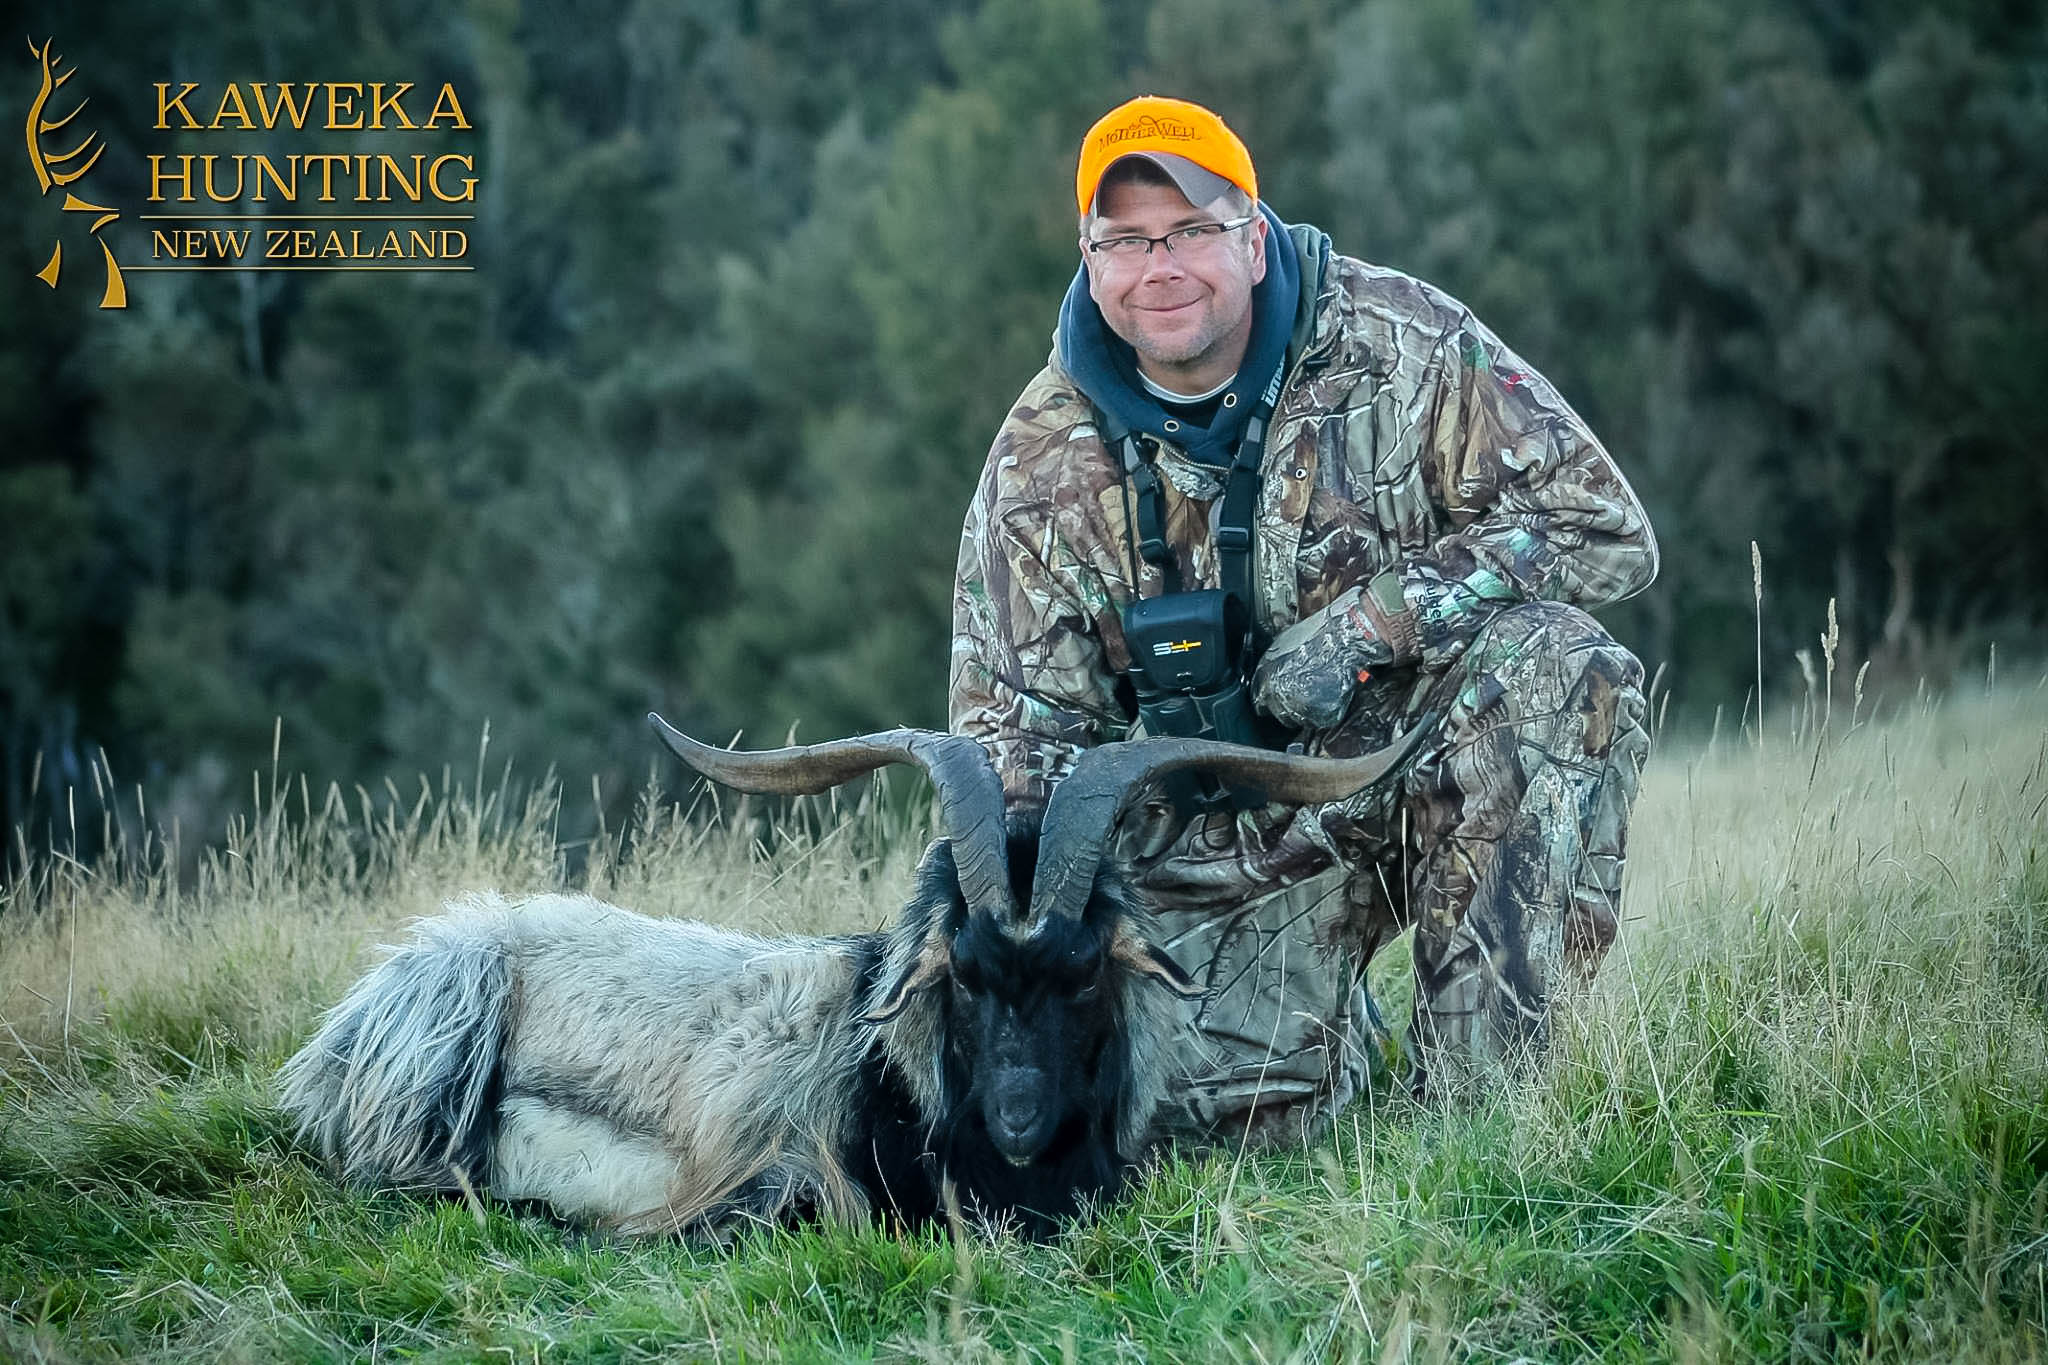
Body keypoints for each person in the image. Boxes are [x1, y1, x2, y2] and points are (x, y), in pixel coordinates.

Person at [948, 95, 1658, 1140]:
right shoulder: (1038, 458)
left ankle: (1482, 1123)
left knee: (1561, 667)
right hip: (1208, 844)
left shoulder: (1397, 343)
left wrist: (1371, 624)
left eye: (1190, 230)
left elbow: (1604, 527)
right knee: (1211, 1131)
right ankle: (1333, 1041)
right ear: (1089, 260)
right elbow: (1010, 729)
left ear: (1251, 230)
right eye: (1128, 241)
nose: (1162, 268)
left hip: (1418, 762)